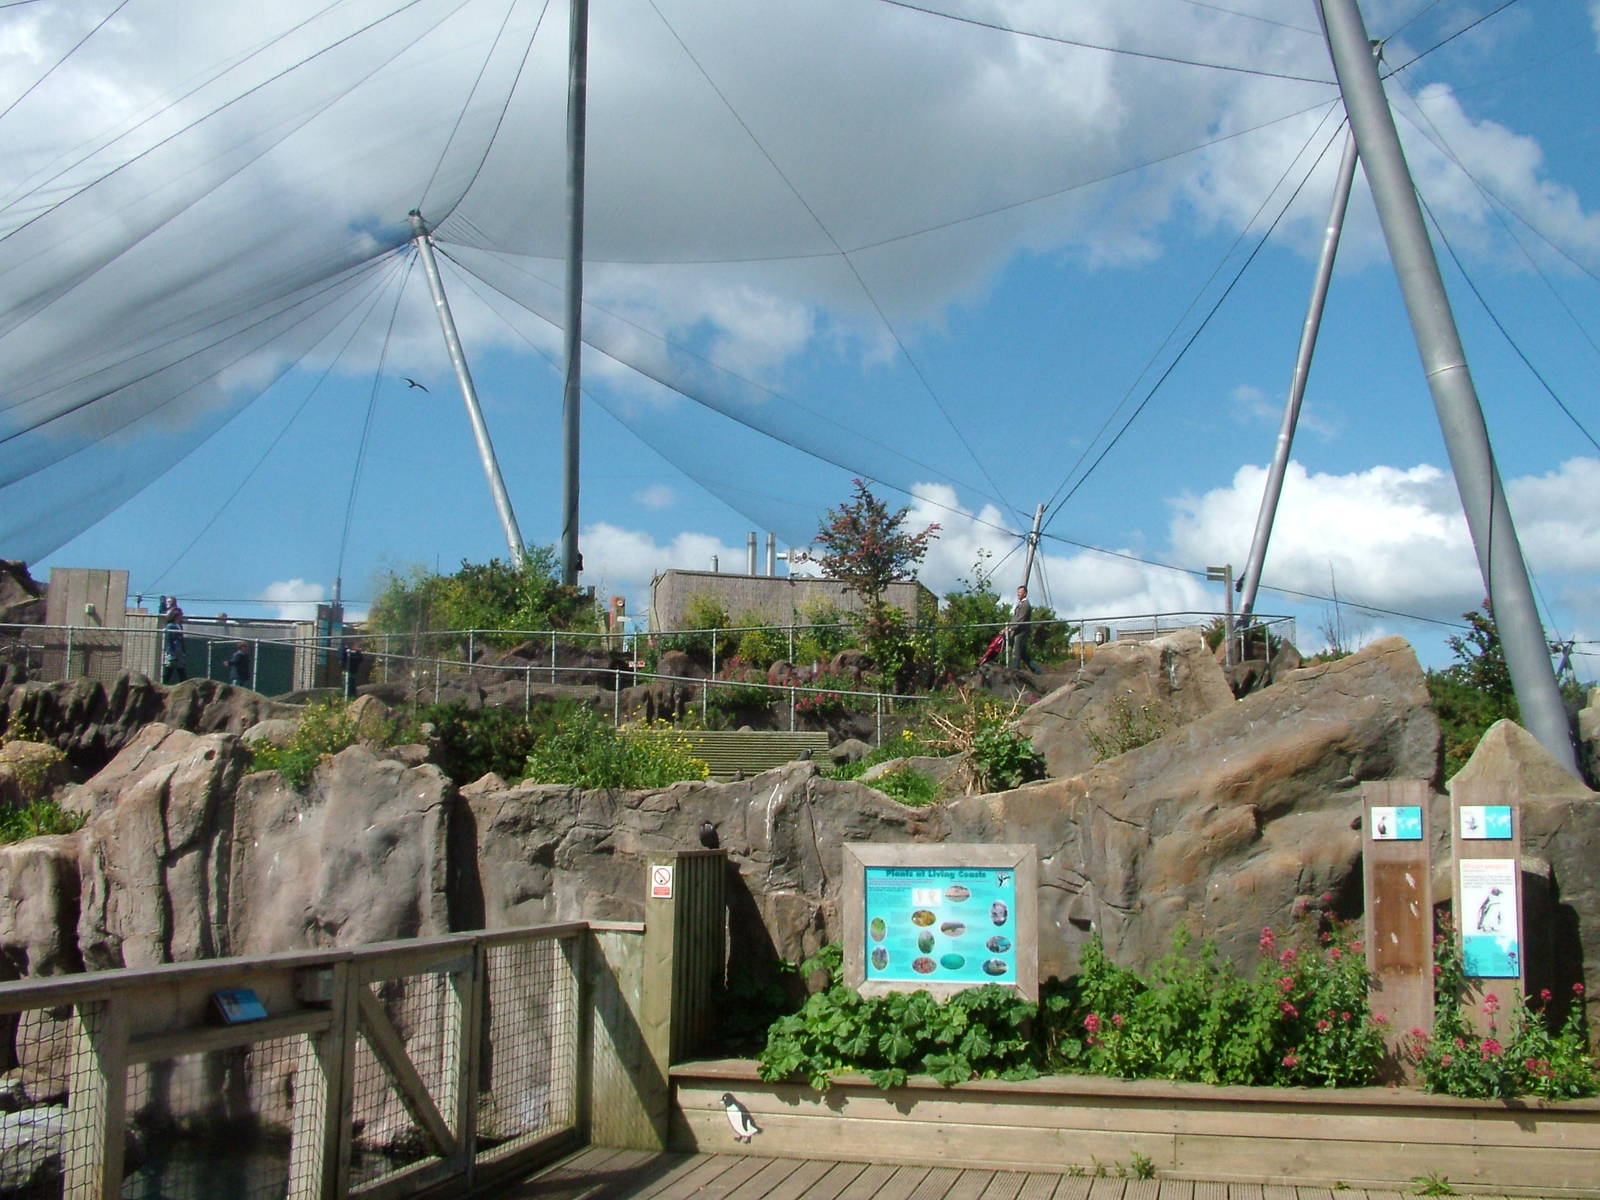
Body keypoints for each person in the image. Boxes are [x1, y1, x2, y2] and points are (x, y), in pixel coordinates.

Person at [1007, 584, 1039, 673]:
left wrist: (1011, 628)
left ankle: (1014, 671)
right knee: (1024, 654)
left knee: (1016, 652)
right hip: (1017, 631)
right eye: (1018, 592)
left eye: (1020, 592)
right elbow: (1014, 618)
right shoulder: (1020, 604)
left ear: (1025, 594)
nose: (1018, 594)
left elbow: (1021, 619)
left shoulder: (1025, 605)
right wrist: (1007, 627)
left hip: (1021, 631)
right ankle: (1037, 671)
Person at [161, 596, 188, 684]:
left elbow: (181, 639)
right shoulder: (170, 626)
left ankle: (184, 684)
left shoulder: (179, 626)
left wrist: (183, 651)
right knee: (169, 669)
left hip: (179, 651)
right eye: (180, 615)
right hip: (173, 652)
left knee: (181, 670)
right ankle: (163, 684)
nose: (181, 616)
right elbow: (169, 639)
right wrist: (170, 651)